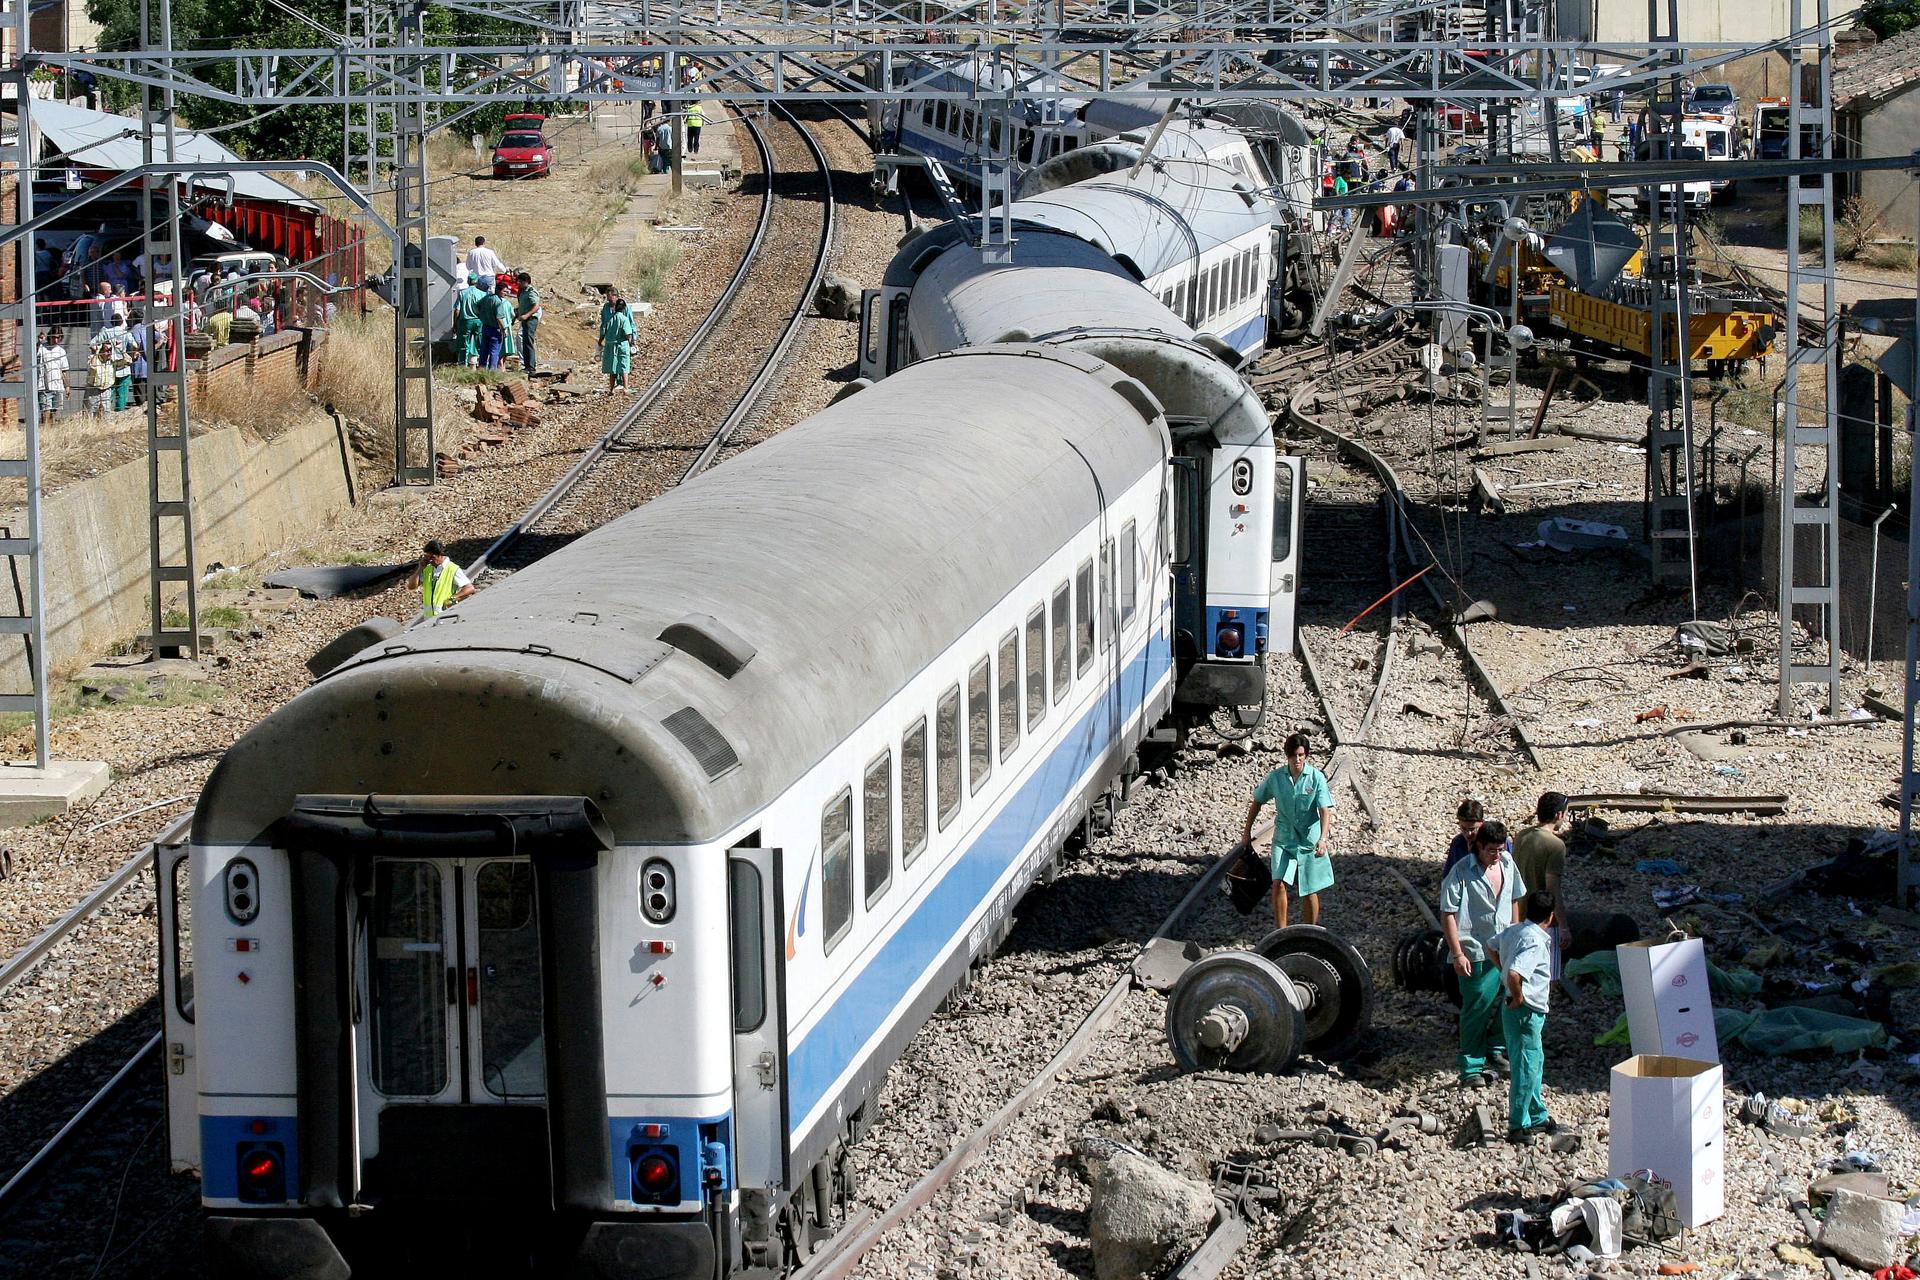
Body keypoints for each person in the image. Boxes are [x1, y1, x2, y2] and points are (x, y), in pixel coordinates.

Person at [1439, 820, 1527, 1088]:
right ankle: (1471, 1066)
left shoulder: (1508, 863)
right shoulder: (1461, 871)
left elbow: (1514, 898)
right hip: (1475, 950)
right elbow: (1448, 914)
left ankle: (1497, 1049)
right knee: (1476, 1008)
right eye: (1491, 850)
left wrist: (1515, 933)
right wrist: (1457, 953)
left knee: (1509, 999)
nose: (1496, 855)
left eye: (1500, 849)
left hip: (1504, 946)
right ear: (1478, 847)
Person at [1239, 732, 1335, 928]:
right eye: (1293, 755)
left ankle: (1310, 930)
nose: (1297, 759)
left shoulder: (1316, 778)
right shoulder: (1276, 778)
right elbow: (1257, 801)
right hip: (1283, 838)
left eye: (1300, 755)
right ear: (1287, 756)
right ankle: (1281, 931)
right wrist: (1247, 831)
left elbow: (1325, 810)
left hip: (1308, 840)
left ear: (1306, 756)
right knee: (1278, 882)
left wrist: (1323, 838)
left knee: (1309, 888)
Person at [1491, 889, 1556, 1142]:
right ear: (1550, 917)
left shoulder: (1515, 930)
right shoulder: (1535, 940)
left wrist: (1502, 969)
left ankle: (1536, 1114)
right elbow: (1516, 974)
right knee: (1526, 1066)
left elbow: (1491, 946)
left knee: (1533, 1061)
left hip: (1521, 1009)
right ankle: (1518, 1125)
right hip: (1526, 1010)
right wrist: (1518, 996)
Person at [1511, 791, 1572, 980]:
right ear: (1558, 815)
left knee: (1521, 968)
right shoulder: (1555, 845)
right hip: (1543, 918)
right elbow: (1552, 887)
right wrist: (1563, 926)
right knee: (1545, 975)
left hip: (1518, 912)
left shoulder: (1521, 836)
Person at [413, 539, 474, 618]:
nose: (430, 560)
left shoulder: (452, 569)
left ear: (440, 554)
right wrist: (419, 568)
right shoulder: (427, 569)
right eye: (428, 557)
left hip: (445, 616)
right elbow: (412, 586)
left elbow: (469, 588)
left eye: (432, 557)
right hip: (429, 619)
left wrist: (452, 599)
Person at [1442, 798, 1487, 876]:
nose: (1468, 834)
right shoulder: (1457, 843)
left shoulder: (1496, 841)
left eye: (1472, 829)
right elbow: (1449, 874)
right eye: (1463, 828)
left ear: (1482, 823)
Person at [479, 280, 516, 370]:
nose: (506, 293)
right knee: (494, 351)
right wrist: (504, 329)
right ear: (498, 290)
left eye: (507, 291)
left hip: (485, 327)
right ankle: (492, 371)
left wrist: (481, 315)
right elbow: (499, 317)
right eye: (504, 291)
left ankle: (482, 368)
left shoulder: (486, 298)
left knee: (484, 350)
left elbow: (477, 305)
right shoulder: (499, 302)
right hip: (495, 329)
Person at [600, 296, 636, 392]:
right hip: (622, 345)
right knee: (624, 366)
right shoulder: (624, 319)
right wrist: (632, 344)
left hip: (610, 346)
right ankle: (626, 388)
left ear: (615, 308)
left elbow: (603, 332)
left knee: (613, 368)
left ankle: (611, 389)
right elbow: (628, 334)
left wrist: (600, 342)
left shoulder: (610, 320)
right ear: (624, 308)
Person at [101, 310, 133, 411]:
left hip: (110, 366)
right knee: (122, 394)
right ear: (122, 322)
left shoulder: (106, 332)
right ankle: (120, 412)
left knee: (109, 391)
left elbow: (94, 343)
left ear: (111, 322)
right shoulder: (126, 333)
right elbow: (135, 345)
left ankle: (107, 411)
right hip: (124, 367)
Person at [513, 270, 542, 376]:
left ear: (526, 282)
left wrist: (526, 315)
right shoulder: (521, 292)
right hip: (524, 319)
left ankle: (531, 367)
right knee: (524, 342)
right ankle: (527, 366)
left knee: (528, 342)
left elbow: (536, 306)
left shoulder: (531, 291)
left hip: (531, 319)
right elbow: (521, 305)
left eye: (520, 281)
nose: (518, 283)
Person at [36, 329, 68, 419]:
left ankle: (51, 431)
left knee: (54, 415)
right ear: (50, 336)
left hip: (57, 387)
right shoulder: (42, 348)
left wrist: (67, 386)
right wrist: (39, 342)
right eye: (54, 337)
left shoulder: (61, 351)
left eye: (58, 337)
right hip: (44, 387)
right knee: (45, 414)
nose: (56, 340)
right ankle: (46, 431)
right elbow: (34, 352)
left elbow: (64, 370)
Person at [454, 276, 486, 367]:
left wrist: (455, 323)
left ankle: (463, 363)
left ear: (468, 281)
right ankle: (480, 363)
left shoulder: (462, 293)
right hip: (479, 321)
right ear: (477, 282)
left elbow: (457, 310)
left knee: (464, 344)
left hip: (465, 321)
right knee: (479, 342)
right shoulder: (482, 294)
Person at [85, 338, 113, 418]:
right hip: (93, 390)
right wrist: (96, 352)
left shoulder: (112, 360)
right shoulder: (92, 358)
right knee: (90, 415)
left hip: (106, 390)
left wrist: (120, 349)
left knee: (107, 415)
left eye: (111, 350)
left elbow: (128, 361)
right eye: (107, 350)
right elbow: (93, 367)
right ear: (101, 351)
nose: (109, 353)